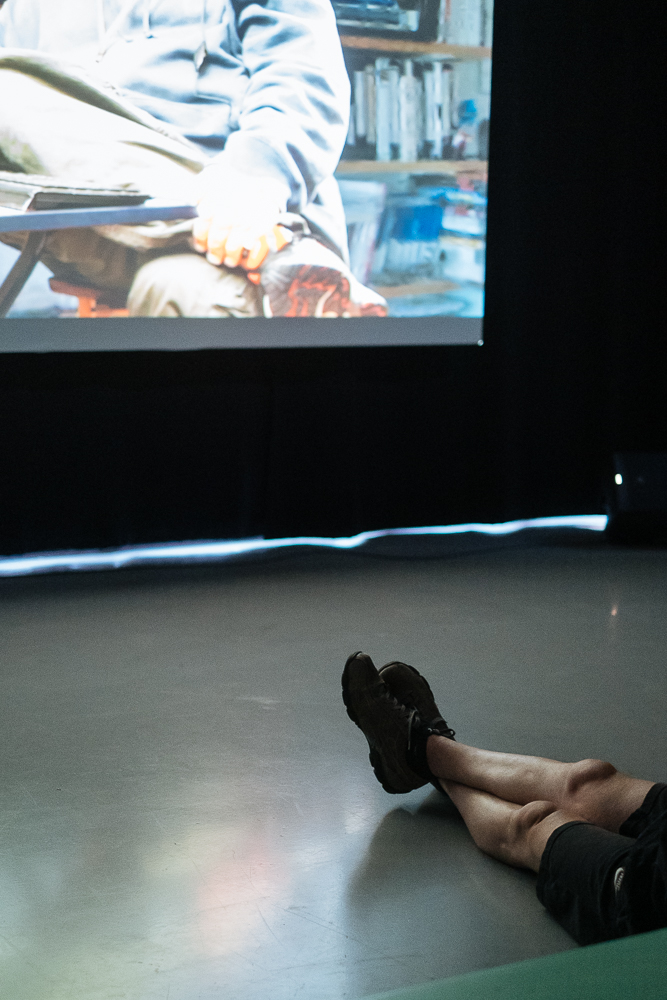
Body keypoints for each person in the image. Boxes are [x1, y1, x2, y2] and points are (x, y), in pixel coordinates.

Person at [0, 0, 388, 318]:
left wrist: (253, 179)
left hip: (250, 202)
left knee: (179, 288)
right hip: (87, 223)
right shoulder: (25, 8)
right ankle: (275, 248)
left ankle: (255, 241)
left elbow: (302, 76)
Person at [342, 651, 667, 946]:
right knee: (588, 779)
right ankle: (427, 754)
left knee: (535, 822)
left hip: (653, 900)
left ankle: (423, 753)